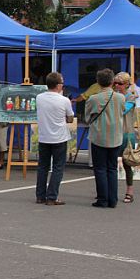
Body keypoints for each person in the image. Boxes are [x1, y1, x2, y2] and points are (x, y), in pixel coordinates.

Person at [85, 69, 125, 208]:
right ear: (112, 81)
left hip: (99, 137)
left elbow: (87, 117)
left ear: (98, 82)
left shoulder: (93, 99)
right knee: (112, 169)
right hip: (116, 137)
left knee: (100, 169)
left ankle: (102, 199)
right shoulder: (121, 98)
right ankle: (113, 200)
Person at [35, 72, 74, 205]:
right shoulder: (64, 100)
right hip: (59, 137)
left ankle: (40, 196)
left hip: (44, 136)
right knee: (58, 167)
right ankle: (52, 196)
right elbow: (70, 118)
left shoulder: (39, 97)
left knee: (43, 167)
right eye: (62, 83)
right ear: (58, 85)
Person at [113, 72, 137, 203]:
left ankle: (130, 191)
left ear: (127, 84)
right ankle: (110, 191)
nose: (117, 85)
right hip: (114, 132)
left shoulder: (130, 97)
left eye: (120, 83)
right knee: (110, 164)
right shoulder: (113, 95)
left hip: (127, 133)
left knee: (127, 164)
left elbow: (123, 111)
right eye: (115, 83)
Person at [72, 81, 102, 168]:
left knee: (93, 140)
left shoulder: (95, 88)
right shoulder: (118, 96)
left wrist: (75, 100)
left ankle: (92, 163)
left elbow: (84, 96)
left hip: (96, 120)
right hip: (111, 123)